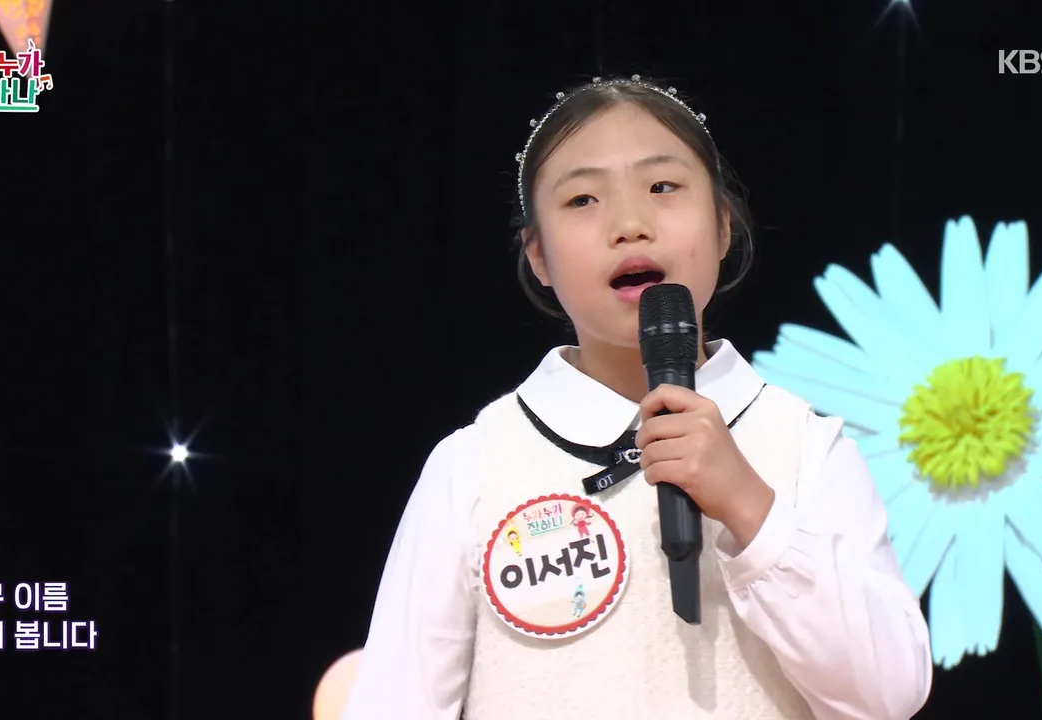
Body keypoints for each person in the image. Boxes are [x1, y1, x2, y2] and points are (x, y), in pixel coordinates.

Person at [342, 75, 932, 719]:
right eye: (583, 199)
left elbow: (890, 694)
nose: (629, 225)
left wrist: (748, 505)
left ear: (723, 225)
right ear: (538, 256)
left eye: (662, 187)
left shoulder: (806, 448)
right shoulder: (474, 465)